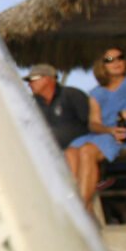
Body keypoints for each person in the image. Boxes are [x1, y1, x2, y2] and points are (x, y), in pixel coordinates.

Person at [24, 64, 99, 209]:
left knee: (71, 155)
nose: (29, 84)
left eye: (32, 79)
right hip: (50, 153)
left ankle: (78, 209)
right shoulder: (36, 105)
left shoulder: (72, 95)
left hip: (78, 149)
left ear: (47, 79)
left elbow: (92, 123)